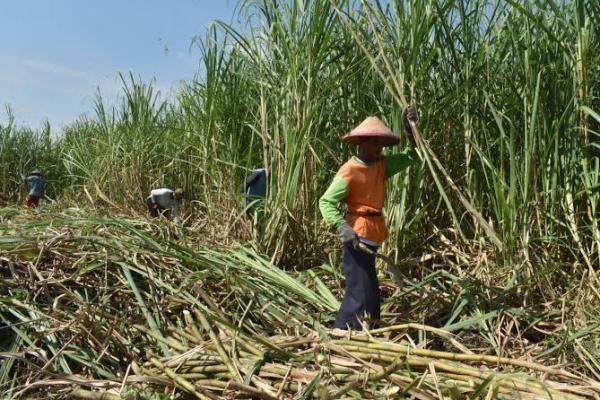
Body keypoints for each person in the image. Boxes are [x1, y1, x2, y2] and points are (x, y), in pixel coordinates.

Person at [319, 107, 419, 335]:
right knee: (359, 287)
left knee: (370, 287)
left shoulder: (382, 165)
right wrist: (342, 226)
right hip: (356, 233)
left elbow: (413, 156)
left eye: (381, 143)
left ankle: (369, 328)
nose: (379, 148)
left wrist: (411, 130)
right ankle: (341, 332)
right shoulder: (350, 171)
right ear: (361, 143)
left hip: (372, 231)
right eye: (374, 142)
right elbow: (325, 202)